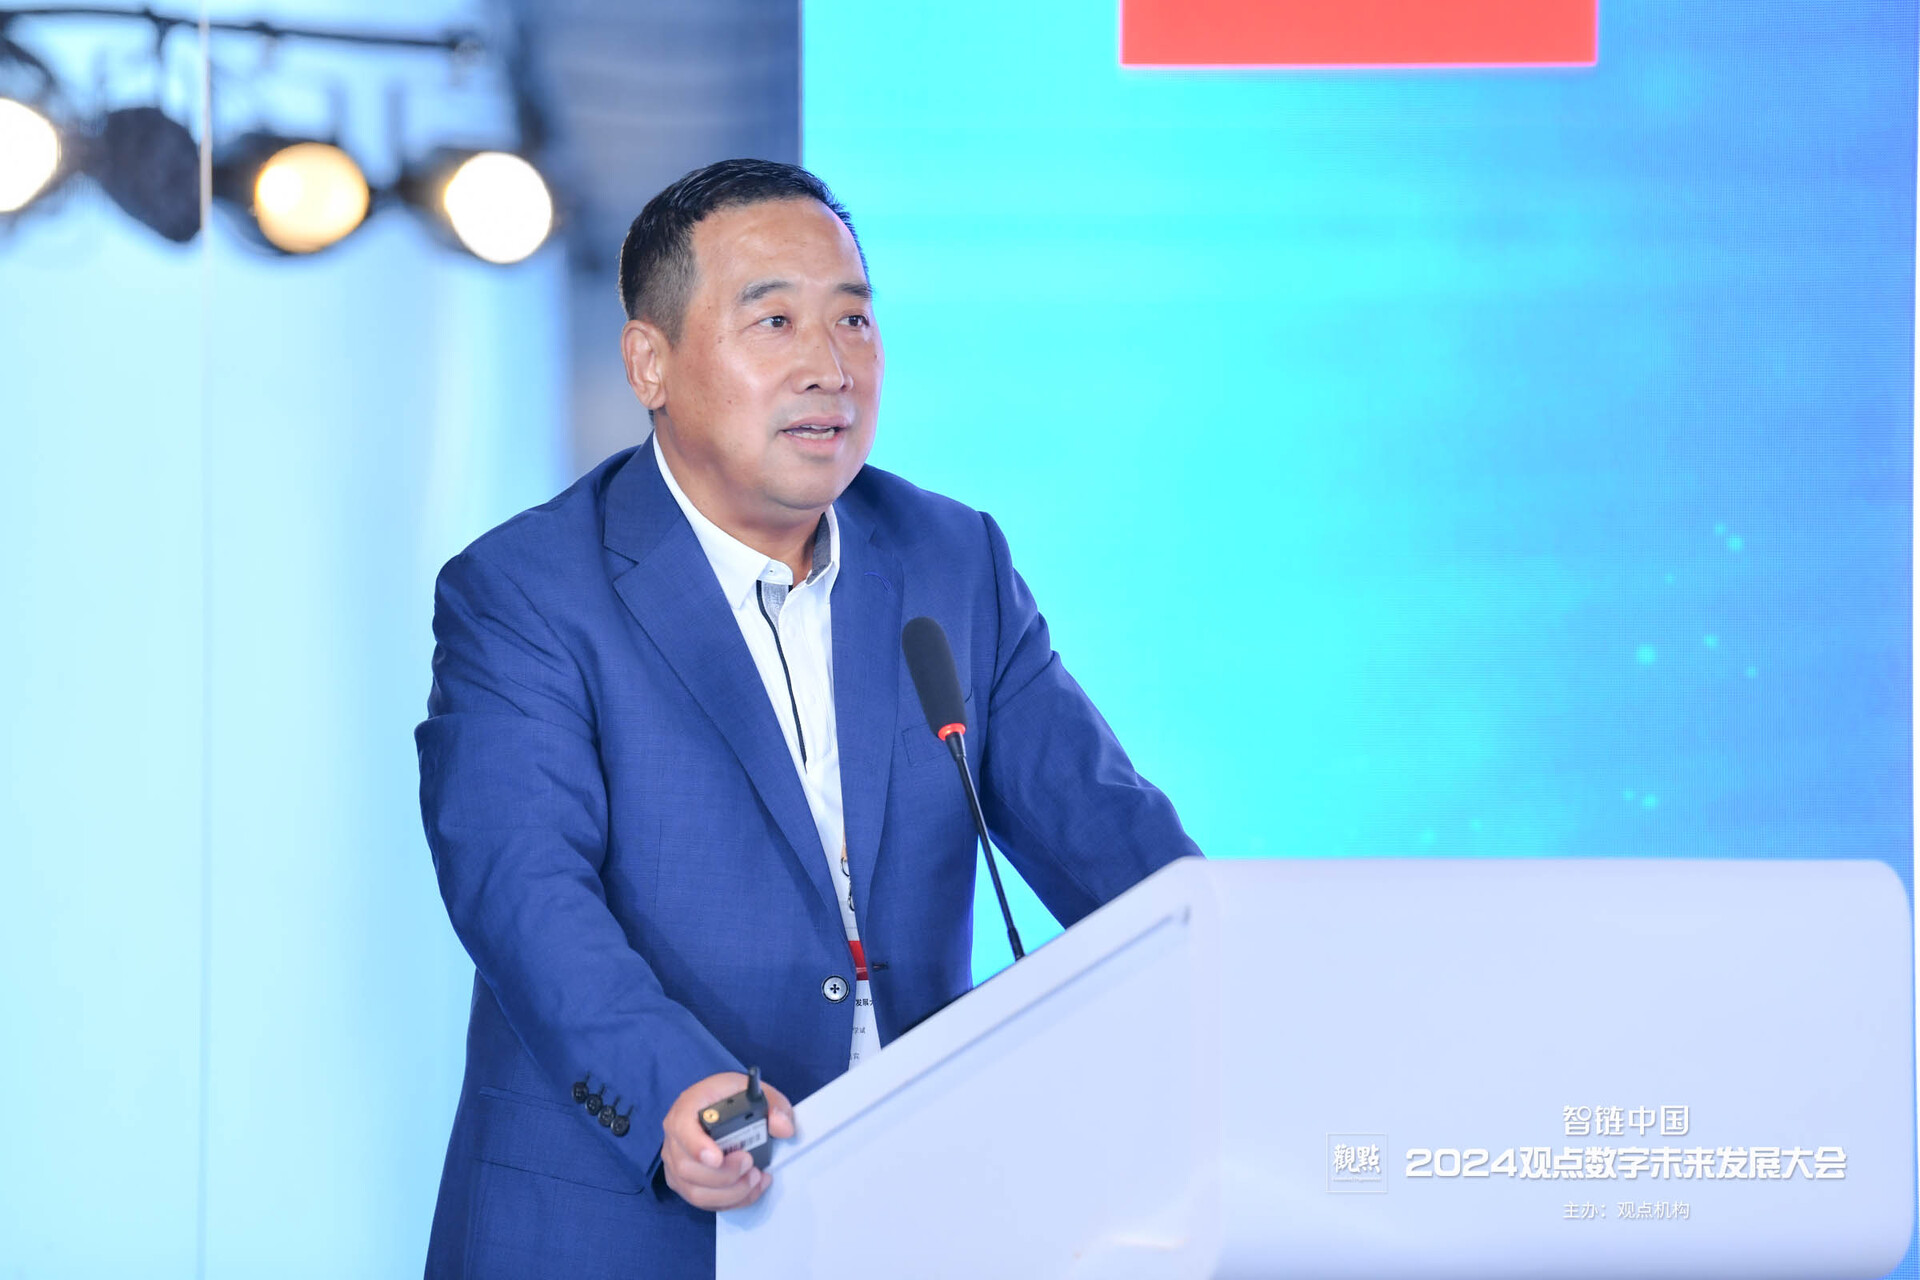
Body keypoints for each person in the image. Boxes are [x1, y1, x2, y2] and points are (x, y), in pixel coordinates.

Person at [415, 158, 1201, 1278]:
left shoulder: (952, 558)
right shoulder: (527, 590)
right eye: (775, 321)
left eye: (854, 320)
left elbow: (1108, 831)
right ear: (650, 362)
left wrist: (1239, 967)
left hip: (910, 1207)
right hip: (619, 1220)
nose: (831, 367)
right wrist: (675, 1090)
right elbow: (524, 892)